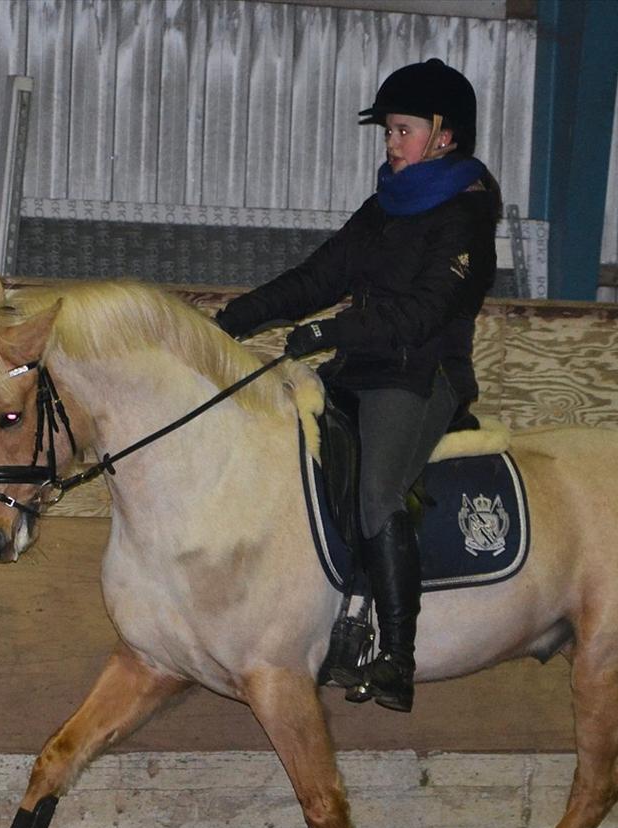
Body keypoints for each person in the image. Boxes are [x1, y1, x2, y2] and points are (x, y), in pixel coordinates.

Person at [215, 58, 501, 714]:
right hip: (359, 369)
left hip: (419, 375)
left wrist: (334, 332)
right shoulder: (383, 209)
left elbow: (428, 311)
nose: (391, 142)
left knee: (378, 492)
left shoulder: (465, 217)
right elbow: (316, 277)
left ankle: (396, 657)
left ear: (444, 135)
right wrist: (232, 321)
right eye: (389, 132)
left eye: (403, 130)